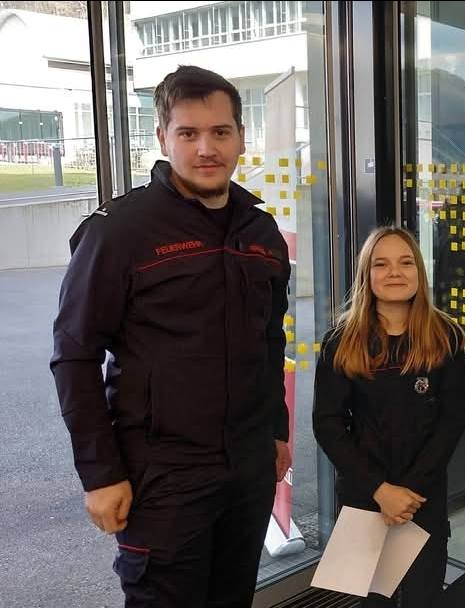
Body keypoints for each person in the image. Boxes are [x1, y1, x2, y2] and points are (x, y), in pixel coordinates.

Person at [50, 65, 291, 607]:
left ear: (240, 136)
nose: (207, 148)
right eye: (188, 133)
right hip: (163, 477)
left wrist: (276, 431)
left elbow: (268, 341)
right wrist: (100, 474)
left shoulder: (260, 232)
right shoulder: (121, 231)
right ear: (162, 138)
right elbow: (74, 356)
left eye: (220, 132)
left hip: (247, 469)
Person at [312, 227, 465, 607]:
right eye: (381, 264)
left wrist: (408, 493)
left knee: (423, 596)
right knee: (373, 600)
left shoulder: (445, 336)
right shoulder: (341, 340)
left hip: (422, 498)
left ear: (419, 271)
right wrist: (380, 490)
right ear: (366, 275)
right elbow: (328, 424)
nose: (394, 272)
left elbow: (453, 419)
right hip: (364, 497)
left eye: (405, 262)